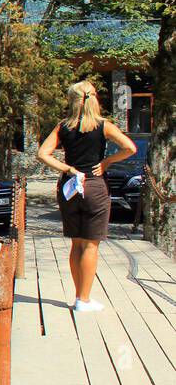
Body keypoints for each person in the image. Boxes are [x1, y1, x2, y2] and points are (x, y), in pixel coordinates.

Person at [36, 79, 136, 312]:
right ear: (94, 100)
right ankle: (84, 299)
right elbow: (130, 148)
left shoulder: (63, 126)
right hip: (94, 185)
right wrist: (107, 161)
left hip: (70, 186)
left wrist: (67, 168)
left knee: (76, 243)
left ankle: (78, 295)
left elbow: (42, 154)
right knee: (91, 245)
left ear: (72, 101)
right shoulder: (103, 125)